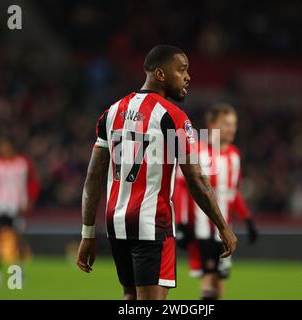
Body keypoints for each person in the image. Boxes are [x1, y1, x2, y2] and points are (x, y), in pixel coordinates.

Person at [76, 45, 237, 300]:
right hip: (152, 222)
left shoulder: (112, 112)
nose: (188, 77)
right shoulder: (172, 117)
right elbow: (195, 178)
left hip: (116, 222)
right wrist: (223, 226)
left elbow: (93, 176)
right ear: (160, 74)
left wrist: (87, 233)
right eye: (181, 70)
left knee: (131, 297)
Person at [173, 103, 258, 299]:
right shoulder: (196, 152)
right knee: (208, 282)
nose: (231, 128)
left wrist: (248, 219)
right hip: (201, 229)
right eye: (226, 123)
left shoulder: (235, 156)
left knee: (219, 283)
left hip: (225, 231)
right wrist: (181, 223)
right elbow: (181, 189)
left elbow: (232, 192)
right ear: (212, 125)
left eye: (234, 124)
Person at [0, 136, 40, 286]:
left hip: (17, 208)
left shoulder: (22, 163)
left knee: (18, 241)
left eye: (5, 146)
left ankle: (17, 274)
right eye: (1, 146)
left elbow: (33, 182)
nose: (3, 149)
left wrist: (30, 201)